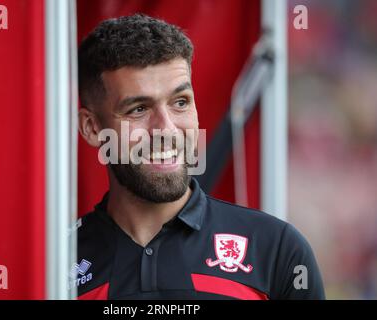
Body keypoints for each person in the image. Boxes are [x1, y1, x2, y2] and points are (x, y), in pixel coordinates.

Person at [76, 14, 325, 300]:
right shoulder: (54, 264)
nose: (167, 130)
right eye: (139, 109)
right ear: (92, 127)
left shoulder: (277, 250)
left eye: (180, 102)